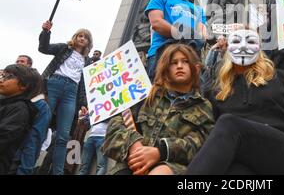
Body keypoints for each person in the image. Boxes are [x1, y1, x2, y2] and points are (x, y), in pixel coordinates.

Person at [187, 28, 284, 175]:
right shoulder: (217, 93)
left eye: (250, 41)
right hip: (248, 162)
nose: (243, 46)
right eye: (236, 41)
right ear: (227, 48)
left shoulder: (281, 78)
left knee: (229, 124)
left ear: (260, 48)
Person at [102, 44, 214, 175]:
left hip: (172, 167)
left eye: (185, 61)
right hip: (131, 164)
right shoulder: (145, 96)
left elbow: (199, 145)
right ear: (166, 69)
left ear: (195, 68)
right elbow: (115, 126)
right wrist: (133, 145)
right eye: (174, 62)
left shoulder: (203, 106)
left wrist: (160, 152)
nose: (179, 66)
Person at [38, 20, 92, 175]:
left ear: (88, 42)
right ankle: (25, 164)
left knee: (63, 136)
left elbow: (84, 85)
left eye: (85, 37)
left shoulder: (87, 61)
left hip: (71, 92)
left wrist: (83, 103)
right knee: (41, 125)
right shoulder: (64, 48)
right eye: (80, 35)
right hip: (54, 84)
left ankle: (58, 172)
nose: (82, 38)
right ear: (75, 37)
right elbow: (44, 48)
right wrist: (45, 32)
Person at [144, 0, 208, 80]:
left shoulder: (199, 10)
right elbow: (157, 23)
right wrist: (187, 34)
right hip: (161, 54)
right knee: (161, 95)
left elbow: (203, 36)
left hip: (190, 59)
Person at [0, 65, 40, 174]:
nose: (2, 80)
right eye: (2, 75)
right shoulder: (5, 102)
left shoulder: (20, 109)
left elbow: (4, 136)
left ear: (23, 85)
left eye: (8, 77)